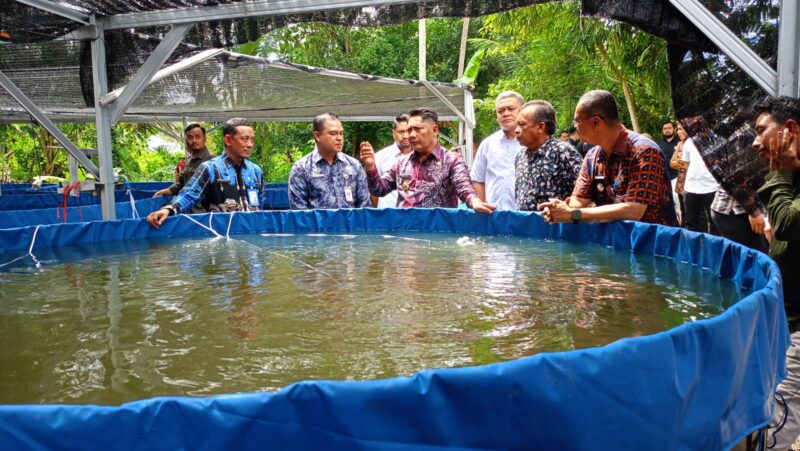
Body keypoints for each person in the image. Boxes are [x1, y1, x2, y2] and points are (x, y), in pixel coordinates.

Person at [538, 90, 676, 226]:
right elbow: (579, 200)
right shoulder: (592, 157)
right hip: (614, 239)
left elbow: (634, 211)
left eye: (577, 121)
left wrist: (575, 214)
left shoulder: (644, 151)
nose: (575, 127)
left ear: (596, 122)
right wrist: (561, 208)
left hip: (652, 239)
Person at [751, 96, 800, 451]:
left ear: (790, 129)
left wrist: (779, 173)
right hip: (788, 316)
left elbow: (786, 223)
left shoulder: (784, 176)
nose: (755, 142)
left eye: (760, 131)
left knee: (779, 415)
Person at [360, 107, 495, 214]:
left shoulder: (452, 160)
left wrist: (474, 201)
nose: (411, 135)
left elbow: (464, 186)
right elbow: (379, 190)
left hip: (438, 233)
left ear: (434, 130)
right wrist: (371, 167)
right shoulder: (402, 163)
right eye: (409, 130)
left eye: (418, 129)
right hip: (404, 234)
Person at [146, 118, 264, 228]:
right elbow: (190, 194)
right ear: (228, 140)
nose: (250, 144)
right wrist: (169, 209)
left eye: (252, 140)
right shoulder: (211, 168)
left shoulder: (256, 171)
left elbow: (261, 202)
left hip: (252, 234)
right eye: (245, 139)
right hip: (222, 235)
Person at [288, 113, 370, 210]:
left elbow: (364, 206)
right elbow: (299, 212)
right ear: (317, 136)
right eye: (333, 133)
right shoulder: (301, 168)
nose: (339, 138)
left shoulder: (354, 165)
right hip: (316, 221)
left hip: (352, 220)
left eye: (341, 133)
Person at [514, 100, 582, 211]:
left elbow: (584, 194)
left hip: (556, 221)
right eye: (516, 125)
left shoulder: (563, 151)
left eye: (522, 125)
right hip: (523, 221)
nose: (516, 130)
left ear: (541, 127)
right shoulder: (520, 156)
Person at [470, 91, 524, 210]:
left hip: (525, 215)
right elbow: (478, 179)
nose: (506, 114)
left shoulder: (531, 143)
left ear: (523, 111)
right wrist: (483, 210)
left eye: (511, 109)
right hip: (494, 215)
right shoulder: (488, 144)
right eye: (500, 111)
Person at [152, 124, 215, 213]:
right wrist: (162, 192)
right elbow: (180, 184)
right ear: (186, 140)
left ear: (204, 139)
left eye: (198, 137)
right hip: (185, 209)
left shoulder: (212, 161)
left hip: (202, 213)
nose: (194, 140)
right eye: (190, 137)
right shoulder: (188, 161)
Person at [681, 133, 719, 234]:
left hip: (712, 186)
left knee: (715, 221)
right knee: (691, 221)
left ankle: (713, 243)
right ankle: (694, 243)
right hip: (691, 187)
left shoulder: (716, 139)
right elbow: (686, 164)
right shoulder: (689, 142)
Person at [372, 114, 412, 208]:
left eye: (408, 131)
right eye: (401, 132)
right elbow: (373, 190)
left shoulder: (421, 157)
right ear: (393, 133)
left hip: (413, 214)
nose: (405, 136)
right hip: (387, 214)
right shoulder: (380, 157)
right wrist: (380, 211)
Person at [669, 125, 689, 225]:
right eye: (678, 129)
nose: (678, 132)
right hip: (681, 182)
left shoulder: (695, 143)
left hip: (694, 182)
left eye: (680, 129)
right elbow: (672, 163)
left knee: (697, 213)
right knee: (683, 210)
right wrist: (684, 163)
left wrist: (681, 161)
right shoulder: (680, 144)